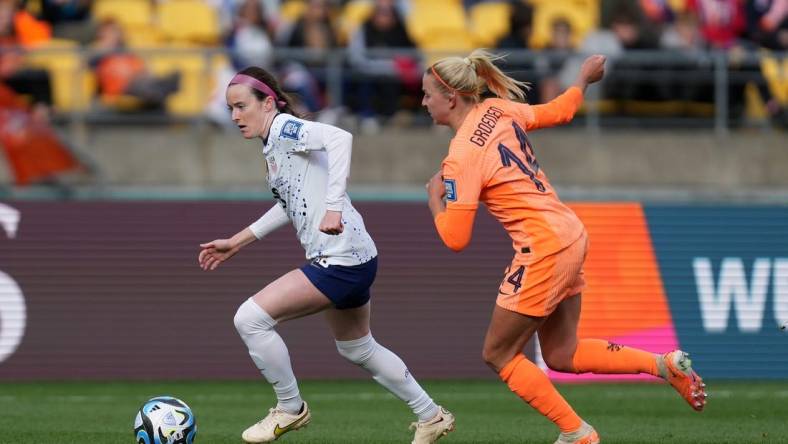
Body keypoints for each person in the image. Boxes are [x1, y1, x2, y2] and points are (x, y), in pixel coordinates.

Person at [421, 50, 707, 444]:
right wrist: (584, 79)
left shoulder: (462, 156)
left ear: (451, 97)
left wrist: (435, 198)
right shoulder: (498, 109)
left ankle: (577, 433)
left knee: (498, 354)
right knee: (561, 353)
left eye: (427, 95)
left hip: (543, 247)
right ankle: (663, 364)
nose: (423, 103)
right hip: (570, 233)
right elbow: (560, 111)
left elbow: (456, 238)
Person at [198, 66, 455, 444]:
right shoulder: (273, 144)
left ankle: (290, 408)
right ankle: (431, 416)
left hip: (340, 259)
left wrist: (334, 205)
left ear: (267, 103)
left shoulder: (285, 128)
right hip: (357, 254)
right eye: (230, 108)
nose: (235, 116)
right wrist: (237, 241)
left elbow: (340, 138)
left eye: (241, 107)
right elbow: (290, 203)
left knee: (250, 319)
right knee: (356, 346)